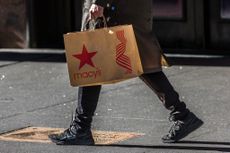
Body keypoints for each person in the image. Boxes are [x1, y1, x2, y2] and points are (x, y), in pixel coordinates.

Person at [48, 0, 203, 145]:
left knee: (92, 59)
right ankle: (182, 114)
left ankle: (81, 128)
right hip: (130, 7)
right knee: (137, 60)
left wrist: (98, 2)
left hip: (115, 7)